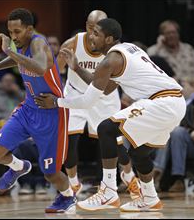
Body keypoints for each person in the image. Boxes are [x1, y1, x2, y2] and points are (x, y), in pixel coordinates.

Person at [35, 18, 186, 212]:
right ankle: (149, 197)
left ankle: (108, 191)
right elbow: (106, 89)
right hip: (174, 102)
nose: (91, 36)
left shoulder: (111, 60)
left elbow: (88, 101)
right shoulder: (128, 49)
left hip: (162, 102)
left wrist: (56, 102)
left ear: (109, 39)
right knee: (138, 152)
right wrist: (77, 67)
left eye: (96, 33)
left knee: (106, 128)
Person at [0, 8, 76, 213]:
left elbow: (39, 67)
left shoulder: (38, 42)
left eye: (17, 32)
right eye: (10, 32)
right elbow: (17, 58)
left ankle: (68, 196)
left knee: (51, 173)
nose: (13, 36)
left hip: (51, 113)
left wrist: (9, 50)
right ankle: (19, 167)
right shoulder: (20, 44)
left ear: (30, 29)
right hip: (28, 109)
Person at [55, 10, 140, 200]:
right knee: (69, 141)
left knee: (115, 143)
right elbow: (55, 71)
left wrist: (77, 67)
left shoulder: (115, 51)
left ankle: (128, 176)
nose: (94, 33)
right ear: (86, 26)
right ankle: (74, 183)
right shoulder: (72, 44)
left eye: (99, 29)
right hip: (76, 95)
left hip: (104, 97)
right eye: (92, 28)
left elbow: (110, 85)